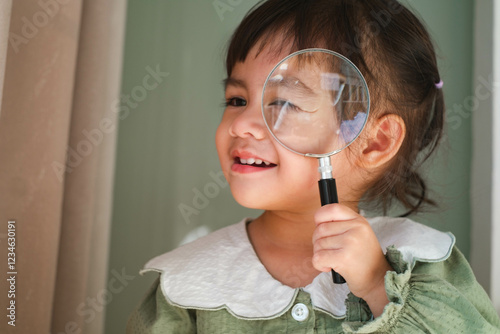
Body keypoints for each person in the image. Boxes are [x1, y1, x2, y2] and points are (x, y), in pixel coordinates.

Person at [126, 0, 500, 332]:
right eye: (237, 100)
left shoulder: (422, 264)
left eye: (285, 104)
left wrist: (375, 284)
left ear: (375, 141)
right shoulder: (188, 283)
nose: (239, 125)